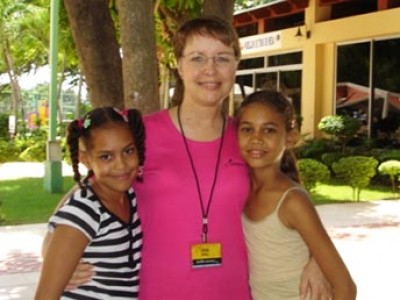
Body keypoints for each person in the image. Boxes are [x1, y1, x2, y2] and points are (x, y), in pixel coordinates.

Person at [45, 16, 332, 300]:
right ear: (180, 66)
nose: (210, 69)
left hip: (233, 292)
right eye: (197, 58)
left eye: (222, 58)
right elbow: (86, 192)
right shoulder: (140, 135)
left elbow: (286, 189)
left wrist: (318, 260)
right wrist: (51, 248)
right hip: (156, 292)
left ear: (236, 66)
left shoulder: (248, 137)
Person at [237, 90, 357, 300]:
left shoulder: (292, 201)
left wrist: (317, 259)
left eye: (269, 130)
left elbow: (345, 287)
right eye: (247, 129)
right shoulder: (239, 189)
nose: (256, 139)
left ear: (290, 138)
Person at [35, 107, 145, 299]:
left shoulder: (131, 198)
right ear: (86, 159)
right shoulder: (84, 212)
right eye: (106, 157)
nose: (121, 165)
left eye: (128, 151)